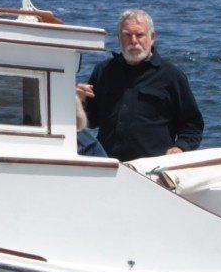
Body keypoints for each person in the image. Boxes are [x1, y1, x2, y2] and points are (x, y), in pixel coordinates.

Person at [76, 8, 204, 160]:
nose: (134, 41)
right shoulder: (103, 71)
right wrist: (79, 101)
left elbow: (192, 124)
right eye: (127, 35)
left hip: (153, 167)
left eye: (140, 35)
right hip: (109, 164)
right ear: (119, 38)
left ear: (152, 37)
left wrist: (181, 147)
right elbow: (91, 121)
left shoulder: (171, 75)